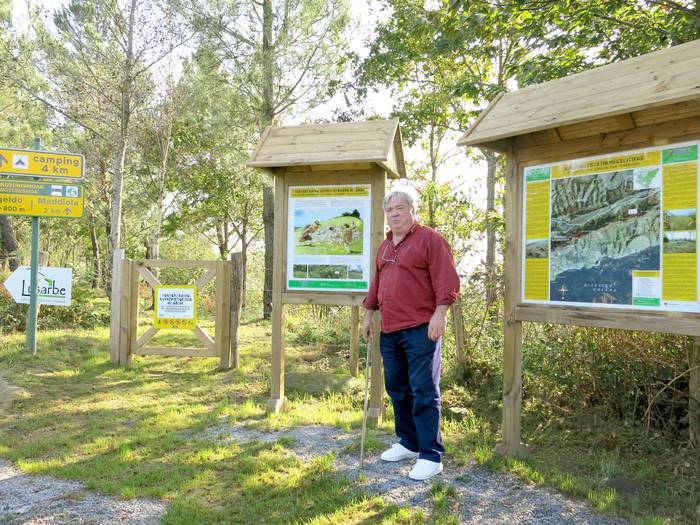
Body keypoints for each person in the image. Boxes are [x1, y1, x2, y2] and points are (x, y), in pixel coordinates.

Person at [362, 185, 459, 481]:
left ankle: (431, 455)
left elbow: (448, 279)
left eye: (399, 208)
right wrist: (368, 314)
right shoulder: (385, 246)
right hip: (389, 330)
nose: (394, 214)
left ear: (412, 210)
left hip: (421, 329)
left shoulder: (431, 240)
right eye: (389, 210)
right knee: (398, 389)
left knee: (424, 391)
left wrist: (439, 314)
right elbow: (377, 284)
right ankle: (409, 441)